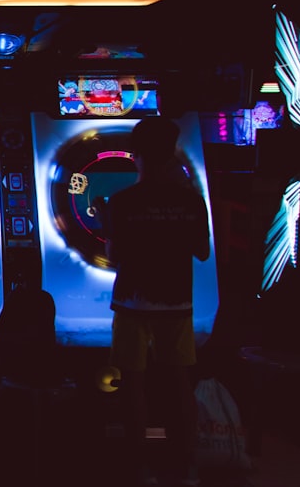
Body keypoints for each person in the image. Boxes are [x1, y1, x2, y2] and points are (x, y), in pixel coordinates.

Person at [101, 117, 210, 487]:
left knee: (133, 381)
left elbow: (114, 256)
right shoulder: (192, 200)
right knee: (179, 380)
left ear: (135, 155)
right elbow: (201, 251)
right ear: (173, 152)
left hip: (133, 301)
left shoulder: (122, 201)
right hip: (177, 300)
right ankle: (184, 462)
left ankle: (138, 463)